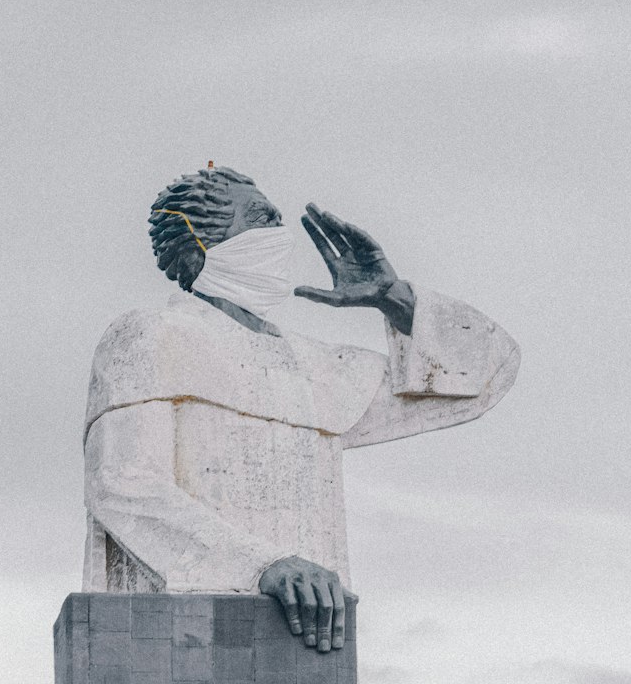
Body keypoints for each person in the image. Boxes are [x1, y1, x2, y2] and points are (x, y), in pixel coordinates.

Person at [82, 164, 520, 653]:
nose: (278, 234)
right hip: (176, 641)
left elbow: (480, 379)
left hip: (309, 632)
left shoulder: (317, 367)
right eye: (261, 219)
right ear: (199, 241)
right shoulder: (148, 336)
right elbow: (124, 485)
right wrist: (261, 566)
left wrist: (395, 300)